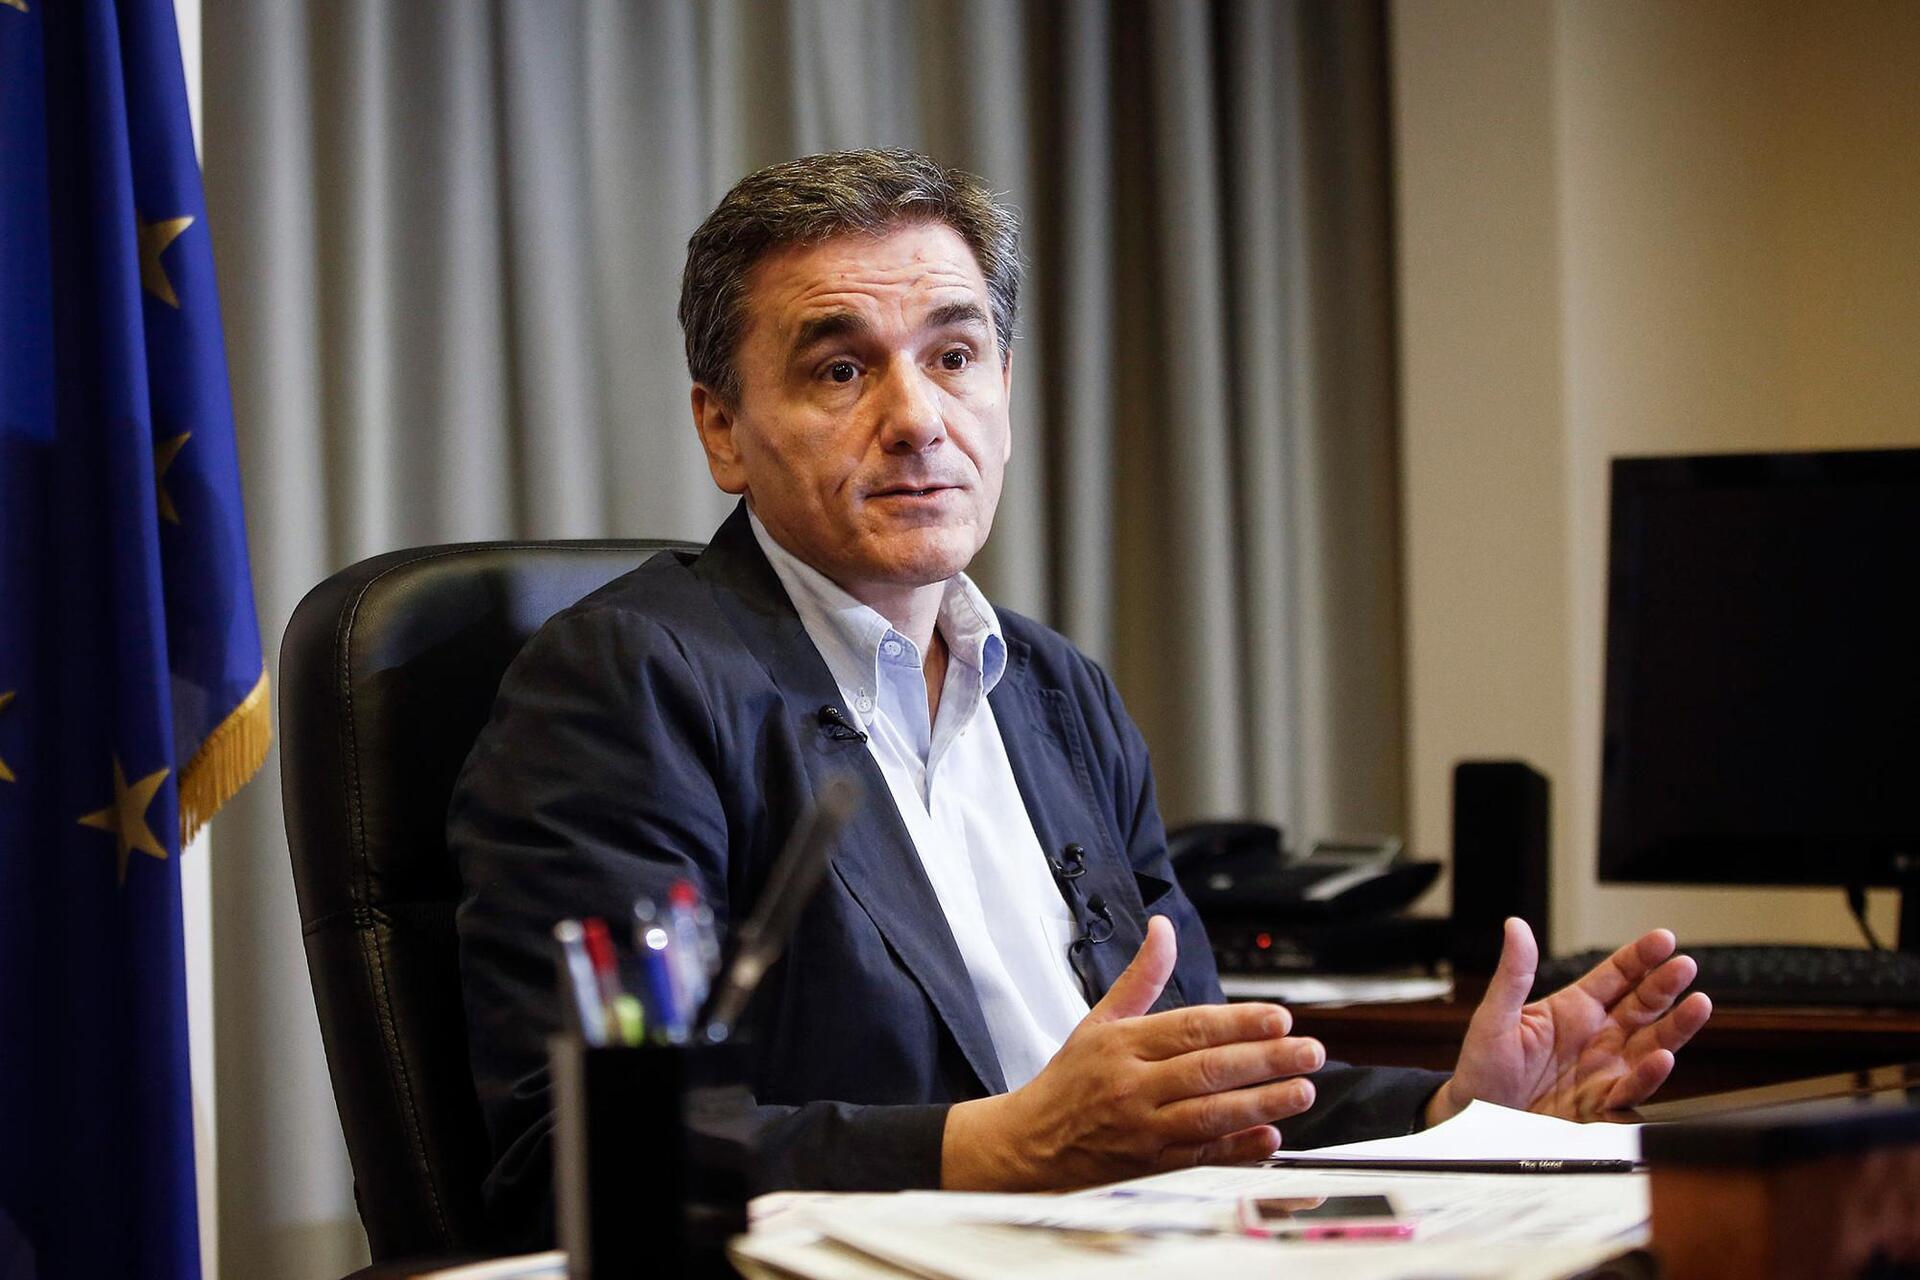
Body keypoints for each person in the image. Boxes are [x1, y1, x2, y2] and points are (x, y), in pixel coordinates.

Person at [449, 148, 1712, 1247]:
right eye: (840, 371)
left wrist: (1452, 1110)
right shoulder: (631, 683)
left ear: (1003, 389)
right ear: (723, 429)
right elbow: (578, 1157)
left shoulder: (1057, 691)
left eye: (954, 356)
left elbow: (1197, 1081)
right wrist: (998, 1145)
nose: (916, 418)